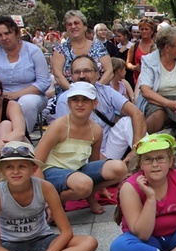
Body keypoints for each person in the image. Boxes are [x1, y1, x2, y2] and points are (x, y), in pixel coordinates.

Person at [36, 82, 128, 213]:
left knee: (120, 168)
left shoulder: (95, 130)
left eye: (85, 100)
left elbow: (94, 163)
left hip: (78, 171)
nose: (80, 104)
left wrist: (96, 195)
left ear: (94, 103)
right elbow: (36, 163)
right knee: (84, 184)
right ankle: (55, 200)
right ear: (69, 103)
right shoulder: (58, 126)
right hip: (53, 171)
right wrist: (44, 200)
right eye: (75, 100)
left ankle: (84, 193)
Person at [56, 55, 146, 160]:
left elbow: (137, 113)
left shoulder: (106, 91)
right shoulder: (65, 99)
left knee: (128, 122)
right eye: (77, 72)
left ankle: (142, 159)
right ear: (71, 77)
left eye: (87, 71)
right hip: (81, 155)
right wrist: (108, 164)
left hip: (108, 147)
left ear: (97, 74)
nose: (81, 76)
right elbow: (70, 140)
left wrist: (134, 152)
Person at [0, 16, 49, 134]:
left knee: (26, 103)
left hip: (32, 95)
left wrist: (16, 94)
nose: (4, 38)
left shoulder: (34, 51)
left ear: (16, 33)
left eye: (7, 33)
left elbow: (43, 82)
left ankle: (19, 137)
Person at [136, 26, 176, 133]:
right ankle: (142, 143)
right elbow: (146, 91)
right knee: (157, 116)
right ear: (167, 47)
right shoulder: (149, 60)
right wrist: (167, 103)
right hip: (158, 100)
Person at [52, 10, 112, 91]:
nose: (73, 26)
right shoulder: (60, 50)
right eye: (69, 24)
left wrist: (94, 90)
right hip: (68, 93)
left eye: (76, 23)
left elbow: (109, 71)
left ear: (85, 26)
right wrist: (77, 93)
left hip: (98, 91)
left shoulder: (98, 46)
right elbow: (58, 76)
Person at [127, 18, 157, 86]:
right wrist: (134, 67)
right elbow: (128, 62)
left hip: (154, 80)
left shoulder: (157, 46)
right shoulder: (134, 46)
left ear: (152, 31)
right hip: (138, 81)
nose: (144, 31)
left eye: (146, 29)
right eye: (142, 29)